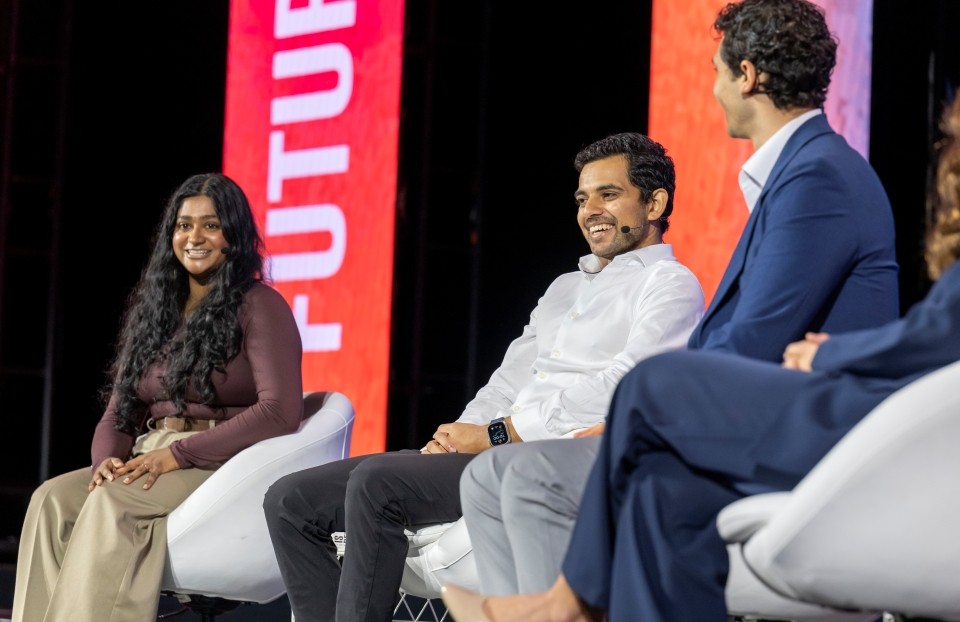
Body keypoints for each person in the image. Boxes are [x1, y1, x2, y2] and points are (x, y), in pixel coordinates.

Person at [439, 86, 960, 622]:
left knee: (651, 385)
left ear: (747, 74)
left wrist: (832, 355)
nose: (710, 87)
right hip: (853, 407)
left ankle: (571, 600)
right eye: (581, 199)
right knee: (648, 486)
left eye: (715, 71)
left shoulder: (819, 173)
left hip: (855, 421)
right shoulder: (812, 169)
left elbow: (923, 332)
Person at [262, 132, 705, 622]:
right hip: (488, 449)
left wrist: (497, 434)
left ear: (655, 202)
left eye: (609, 194)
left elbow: (625, 385)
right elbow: (507, 380)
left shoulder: (670, 284)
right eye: (582, 198)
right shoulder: (564, 287)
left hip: (547, 457)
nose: (590, 210)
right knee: (289, 500)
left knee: (375, 483)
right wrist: (456, 437)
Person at [11, 173, 304, 622]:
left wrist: (180, 455)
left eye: (211, 224)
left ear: (234, 235)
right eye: (184, 225)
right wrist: (104, 461)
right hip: (152, 455)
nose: (194, 237)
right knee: (51, 500)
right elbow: (120, 412)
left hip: (222, 462)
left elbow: (280, 411)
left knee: (114, 502)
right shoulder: (156, 310)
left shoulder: (260, 305)